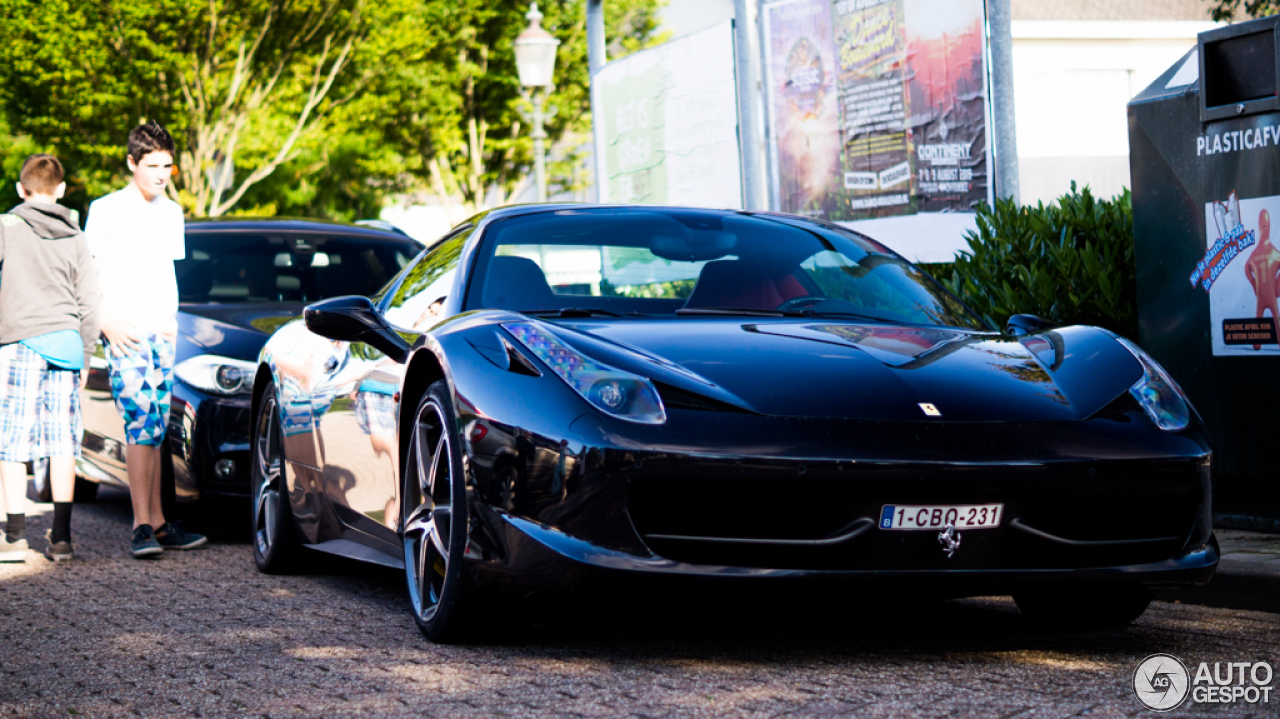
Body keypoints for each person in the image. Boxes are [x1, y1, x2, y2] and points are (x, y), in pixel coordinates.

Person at [85, 121, 206, 557]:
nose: (161, 173)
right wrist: (104, 321)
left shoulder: (172, 212)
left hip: (161, 332)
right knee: (139, 421)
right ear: (132, 163)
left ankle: (157, 522)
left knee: (156, 426)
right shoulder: (106, 209)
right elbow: (87, 273)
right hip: (126, 331)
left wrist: (171, 321)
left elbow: (164, 271)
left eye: (168, 165)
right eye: (152, 165)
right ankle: (139, 525)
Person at [0, 154, 100, 562]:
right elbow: (90, 302)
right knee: (62, 440)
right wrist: (88, 355)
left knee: (12, 438)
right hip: (66, 344)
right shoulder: (77, 236)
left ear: (22, 189)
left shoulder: (7, 226)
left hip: (19, 339)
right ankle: (61, 537)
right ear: (60, 190)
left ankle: (15, 536)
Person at [1245, 208, 1280, 351]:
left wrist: (1276, 286)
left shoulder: (1260, 253)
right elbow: (1247, 268)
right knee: (1273, 318)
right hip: (1268, 295)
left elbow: (1247, 267)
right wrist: (1255, 286)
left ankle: (1257, 342)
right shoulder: (1272, 252)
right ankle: (1257, 342)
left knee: (1270, 318)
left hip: (1267, 295)